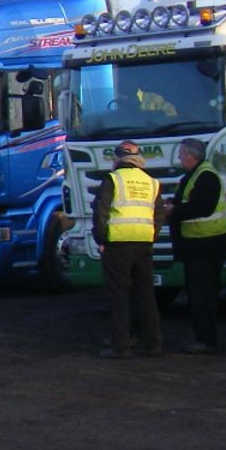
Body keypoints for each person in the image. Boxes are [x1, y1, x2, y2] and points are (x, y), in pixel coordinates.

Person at [92, 139, 162, 358]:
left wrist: (101, 240)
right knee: (146, 296)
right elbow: (158, 214)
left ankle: (121, 346)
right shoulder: (152, 182)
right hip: (144, 244)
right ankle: (154, 345)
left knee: (119, 297)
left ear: (117, 159)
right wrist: (151, 235)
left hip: (118, 245)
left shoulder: (113, 179)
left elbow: (101, 213)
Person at [165, 137, 226, 354]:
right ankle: (203, 337)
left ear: (192, 155)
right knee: (198, 294)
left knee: (203, 296)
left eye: (182, 154)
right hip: (198, 246)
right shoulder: (195, 175)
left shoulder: (206, 176)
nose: (180, 157)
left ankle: (206, 340)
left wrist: (174, 211)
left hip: (206, 246)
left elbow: (201, 207)